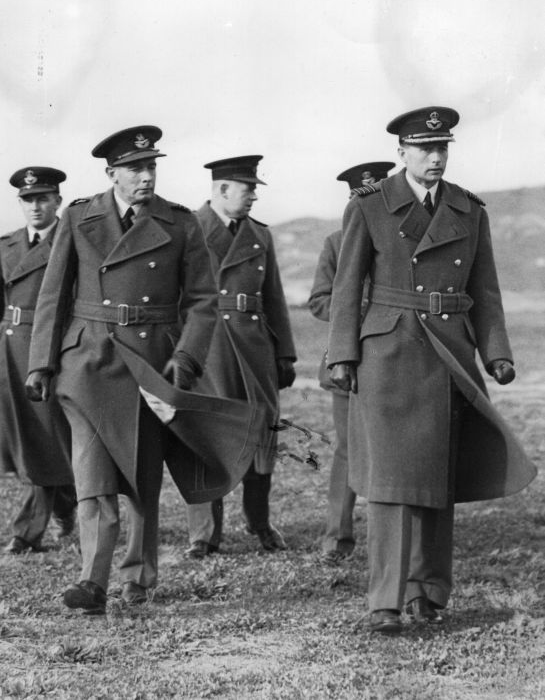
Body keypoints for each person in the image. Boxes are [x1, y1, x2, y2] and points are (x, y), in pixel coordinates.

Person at [327, 107, 537, 635]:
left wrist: (496, 353)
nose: (436, 157)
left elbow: (484, 289)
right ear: (402, 152)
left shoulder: (469, 210)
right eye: (425, 149)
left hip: (449, 354)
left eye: (443, 148)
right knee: (393, 482)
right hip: (388, 356)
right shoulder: (370, 206)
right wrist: (341, 357)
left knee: (437, 480)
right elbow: (347, 288)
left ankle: (427, 592)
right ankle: (385, 600)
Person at [25, 126, 217, 614]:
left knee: (140, 478)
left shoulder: (180, 223)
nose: (146, 176)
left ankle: (138, 575)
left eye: (152, 166)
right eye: (135, 168)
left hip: (149, 364)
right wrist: (42, 363)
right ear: (111, 173)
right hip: (86, 362)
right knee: (92, 477)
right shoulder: (78, 217)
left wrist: (187, 358)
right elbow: (53, 293)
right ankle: (92, 580)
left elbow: (202, 301)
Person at [184, 155, 297, 558]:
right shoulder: (189, 228)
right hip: (207, 346)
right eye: (247, 189)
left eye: (254, 190)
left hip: (254, 347)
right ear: (222, 189)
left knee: (261, 433)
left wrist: (285, 352)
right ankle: (205, 534)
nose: (253, 197)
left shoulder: (259, 235)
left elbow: (275, 298)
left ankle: (259, 520)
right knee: (205, 435)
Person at [0, 167, 75, 554]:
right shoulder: (7, 244)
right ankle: (67, 508)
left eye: (44, 198)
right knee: (24, 440)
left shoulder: (71, 240)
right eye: (28, 200)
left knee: (45, 438)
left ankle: (26, 532)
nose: (36, 206)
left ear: (57, 202)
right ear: (20, 203)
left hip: (48, 352)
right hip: (8, 353)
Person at [308, 161, 395, 566]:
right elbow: (320, 300)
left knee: (390, 450)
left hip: (393, 359)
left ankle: (389, 540)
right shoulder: (335, 242)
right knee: (346, 451)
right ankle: (336, 539)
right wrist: (363, 311)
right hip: (346, 361)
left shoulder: (401, 239)